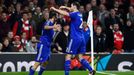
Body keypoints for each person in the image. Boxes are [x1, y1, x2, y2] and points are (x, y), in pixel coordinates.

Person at [51, 2, 95, 75]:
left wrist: (55, 9)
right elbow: (70, 10)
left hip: (75, 38)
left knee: (68, 56)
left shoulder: (74, 14)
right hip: (81, 38)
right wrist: (64, 7)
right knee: (79, 57)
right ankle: (91, 70)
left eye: (71, 6)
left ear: (74, 7)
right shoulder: (79, 14)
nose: (70, 7)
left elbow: (66, 13)